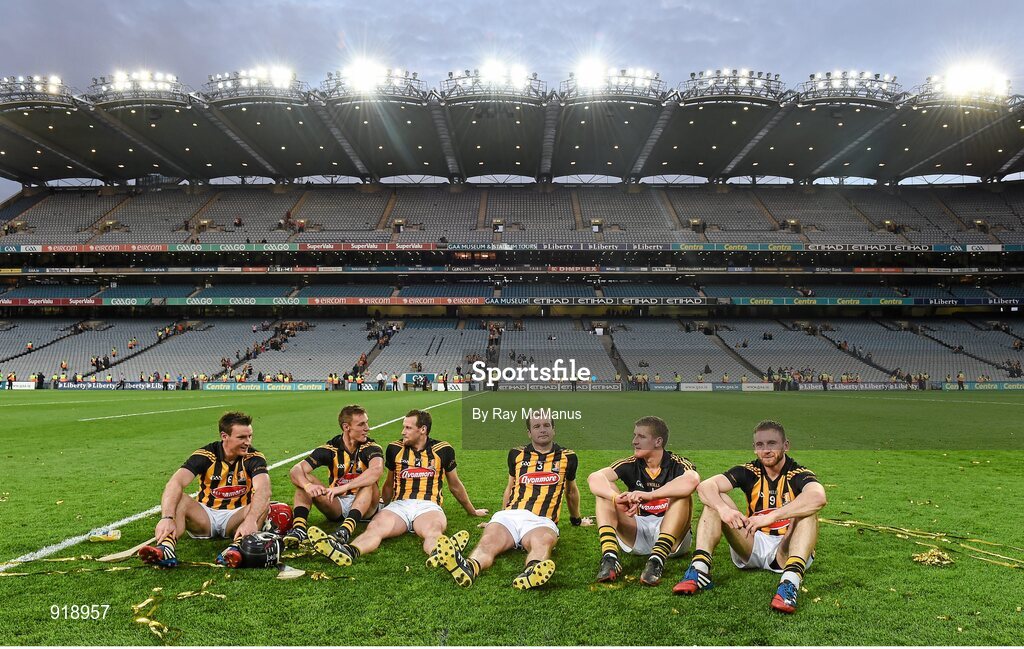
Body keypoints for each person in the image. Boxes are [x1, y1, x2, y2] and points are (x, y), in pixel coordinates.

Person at [674, 419, 827, 614]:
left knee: (808, 512)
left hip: (787, 548)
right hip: (751, 543)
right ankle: (699, 569)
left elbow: (818, 497)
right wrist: (724, 509)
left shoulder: (797, 473)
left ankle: (790, 584)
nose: (766, 450)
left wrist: (772, 516)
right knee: (714, 500)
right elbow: (705, 487)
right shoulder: (749, 471)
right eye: (760, 445)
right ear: (754, 448)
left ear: (785, 445)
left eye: (772, 443)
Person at [308, 409, 487, 567]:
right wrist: (383, 507)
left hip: (428, 505)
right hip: (399, 505)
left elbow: (455, 485)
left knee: (432, 531)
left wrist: (472, 510)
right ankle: (349, 551)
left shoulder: (443, 449)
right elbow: (388, 483)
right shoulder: (394, 448)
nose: (403, 432)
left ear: (422, 430)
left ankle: (440, 554)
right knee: (375, 528)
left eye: (408, 428)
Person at [431, 412, 589, 590]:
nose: (542, 430)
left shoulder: (568, 457)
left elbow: (571, 491)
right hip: (511, 515)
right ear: (529, 432)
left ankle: (531, 572)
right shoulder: (516, 454)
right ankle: (469, 567)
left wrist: (576, 519)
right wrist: (498, 518)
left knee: (542, 542)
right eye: (536, 426)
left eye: (546, 425)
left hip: (542, 520)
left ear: (554, 430)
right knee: (488, 541)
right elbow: (510, 487)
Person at [138, 412, 271, 568]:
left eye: (250, 436)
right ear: (224, 436)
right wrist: (167, 517)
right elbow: (175, 483)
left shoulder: (254, 457)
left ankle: (236, 547)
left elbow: (263, 489)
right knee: (179, 497)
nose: (247, 442)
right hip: (205, 516)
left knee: (263, 502)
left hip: (236, 516)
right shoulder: (206, 455)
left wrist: (250, 519)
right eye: (241, 437)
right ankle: (166, 547)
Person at [587, 416, 700, 586]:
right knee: (604, 493)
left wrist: (648, 495)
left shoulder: (677, 463)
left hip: (672, 539)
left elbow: (692, 480)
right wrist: (616, 498)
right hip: (636, 532)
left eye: (641, 437)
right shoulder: (631, 463)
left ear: (658, 441)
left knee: (683, 494)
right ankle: (610, 557)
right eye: (635, 436)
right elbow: (594, 478)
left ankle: (657, 560)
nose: (634, 441)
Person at [283, 405, 383, 548]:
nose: (367, 428)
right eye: (361, 424)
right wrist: (308, 485)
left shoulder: (371, 447)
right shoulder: (331, 448)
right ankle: (299, 529)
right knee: (304, 480)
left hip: (367, 507)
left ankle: (345, 530)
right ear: (346, 427)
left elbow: (376, 470)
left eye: (366, 422)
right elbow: (295, 470)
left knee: (369, 482)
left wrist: (343, 487)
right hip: (337, 504)